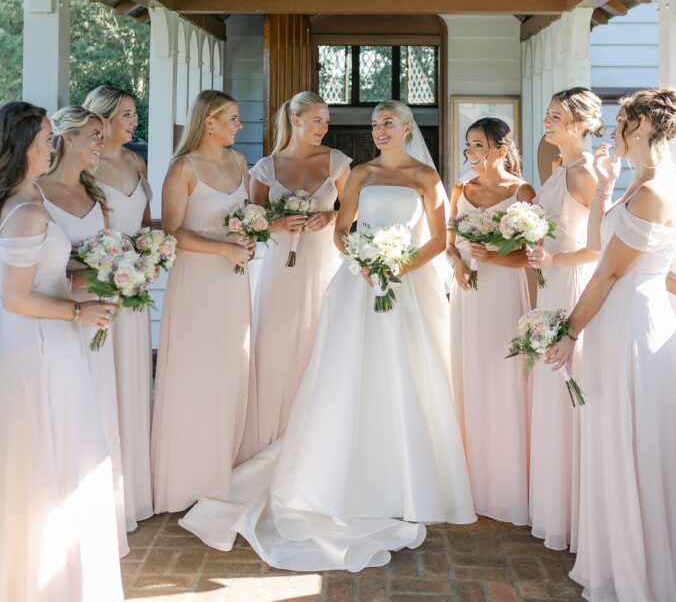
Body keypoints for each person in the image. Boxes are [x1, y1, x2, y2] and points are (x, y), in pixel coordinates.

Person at [180, 100, 475, 571]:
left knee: (409, 375)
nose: (380, 130)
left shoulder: (425, 177)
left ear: (406, 129)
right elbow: (341, 230)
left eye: (388, 124)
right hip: (359, 285)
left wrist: (397, 266)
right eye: (376, 124)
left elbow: (438, 240)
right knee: (349, 375)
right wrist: (362, 260)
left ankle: (408, 477)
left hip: (407, 288)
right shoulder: (360, 174)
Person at [546, 88, 676, 602]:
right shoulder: (639, 183)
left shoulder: (653, 191)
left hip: (630, 332)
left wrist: (569, 332)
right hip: (622, 322)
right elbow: (615, 253)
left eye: (622, 120)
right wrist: (606, 187)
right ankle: (616, 556)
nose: (612, 130)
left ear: (645, 124)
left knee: (632, 446)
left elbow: (605, 274)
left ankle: (637, 570)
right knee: (615, 442)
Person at [0, 101, 122, 602]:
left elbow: (47, 276)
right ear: (23, 145)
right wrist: (80, 313)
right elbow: (14, 296)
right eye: (46, 138)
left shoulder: (30, 198)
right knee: (47, 460)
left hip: (51, 339)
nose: (53, 145)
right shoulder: (25, 211)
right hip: (37, 347)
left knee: (61, 458)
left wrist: (93, 282)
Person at [151, 90, 254, 514]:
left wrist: (249, 238)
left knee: (231, 366)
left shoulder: (240, 163)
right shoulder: (183, 168)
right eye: (232, 118)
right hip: (197, 282)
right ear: (208, 123)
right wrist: (224, 248)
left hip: (234, 282)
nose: (239, 125)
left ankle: (223, 464)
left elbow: (247, 216)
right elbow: (173, 233)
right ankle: (188, 473)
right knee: (197, 369)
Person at [38, 105, 128, 557]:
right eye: (94, 135)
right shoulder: (34, 193)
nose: (101, 142)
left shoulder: (95, 191)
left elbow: (107, 247)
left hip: (99, 311)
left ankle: (97, 517)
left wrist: (122, 268)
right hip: (59, 314)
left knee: (98, 406)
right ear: (67, 139)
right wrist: (82, 272)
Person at [242, 91, 350, 457]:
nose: (324, 128)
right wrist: (280, 222)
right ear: (296, 120)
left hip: (323, 264)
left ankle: (318, 441)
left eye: (326, 121)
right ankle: (271, 437)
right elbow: (251, 222)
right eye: (317, 120)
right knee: (275, 345)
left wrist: (330, 216)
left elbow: (352, 211)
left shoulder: (337, 162)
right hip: (280, 270)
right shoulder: (266, 168)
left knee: (320, 342)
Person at [525, 88, 602, 551]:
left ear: (578, 124)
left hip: (570, 284)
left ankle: (576, 511)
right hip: (550, 284)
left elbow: (601, 245)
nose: (547, 121)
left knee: (569, 391)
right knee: (552, 393)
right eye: (548, 113)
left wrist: (553, 262)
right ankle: (556, 504)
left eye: (556, 116)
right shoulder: (559, 169)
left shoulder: (586, 174)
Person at [448, 117, 533, 526]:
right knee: (468, 376)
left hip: (502, 295)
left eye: (479, 146)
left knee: (503, 380)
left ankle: (503, 483)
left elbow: (532, 256)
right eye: (468, 146)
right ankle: (467, 478)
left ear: (501, 149)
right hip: (467, 295)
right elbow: (449, 243)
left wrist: (493, 256)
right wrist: (458, 265)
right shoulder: (460, 190)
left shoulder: (521, 192)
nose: (471, 154)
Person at [84, 85, 154, 533]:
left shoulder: (136, 161)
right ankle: (101, 492)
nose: (133, 122)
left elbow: (145, 223)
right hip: (102, 284)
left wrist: (153, 252)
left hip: (136, 287)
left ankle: (135, 488)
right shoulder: (83, 166)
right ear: (104, 119)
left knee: (134, 378)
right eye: (127, 115)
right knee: (104, 382)